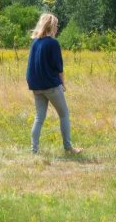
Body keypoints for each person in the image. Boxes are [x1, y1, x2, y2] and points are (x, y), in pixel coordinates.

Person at [26, 13, 82, 154]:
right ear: (52, 26)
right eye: (57, 25)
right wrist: (63, 84)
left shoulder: (35, 43)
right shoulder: (52, 43)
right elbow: (58, 67)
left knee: (39, 117)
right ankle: (68, 148)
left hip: (36, 86)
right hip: (50, 85)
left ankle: (34, 150)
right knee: (64, 114)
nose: (57, 28)